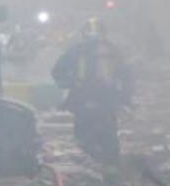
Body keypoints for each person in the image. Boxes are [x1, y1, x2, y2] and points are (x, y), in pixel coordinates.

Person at [51, 17, 133, 166]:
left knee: (83, 134)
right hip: (106, 99)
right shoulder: (112, 50)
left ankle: (93, 163)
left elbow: (57, 71)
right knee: (107, 134)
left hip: (83, 98)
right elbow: (126, 76)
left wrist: (69, 84)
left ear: (83, 34)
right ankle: (110, 165)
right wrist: (125, 98)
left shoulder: (76, 50)